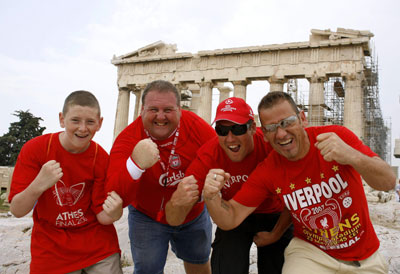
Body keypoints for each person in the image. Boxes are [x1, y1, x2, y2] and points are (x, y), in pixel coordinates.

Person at [203, 91, 396, 274]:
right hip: (311, 253)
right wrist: (211, 196)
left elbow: (388, 182)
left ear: (302, 119)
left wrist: (352, 156)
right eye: (271, 128)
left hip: (365, 257)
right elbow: (231, 217)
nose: (280, 134)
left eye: (287, 122)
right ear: (264, 134)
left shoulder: (337, 137)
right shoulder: (268, 170)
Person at [165, 97, 292, 274]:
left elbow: (298, 195)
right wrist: (177, 201)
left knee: (276, 265)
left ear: (253, 128)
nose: (230, 138)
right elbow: (174, 219)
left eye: (238, 129)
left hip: (274, 214)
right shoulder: (209, 154)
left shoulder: (271, 144)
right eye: (222, 130)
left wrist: (276, 233)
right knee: (227, 265)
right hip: (232, 216)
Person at [106, 80, 216, 274]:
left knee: (198, 261)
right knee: (147, 269)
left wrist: (200, 194)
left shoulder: (198, 128)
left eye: (168, 109)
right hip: (146, 215)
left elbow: (221, 161)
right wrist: (135, 164)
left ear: (180, 110)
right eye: (153, 109)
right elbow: (113, 194)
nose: (160, 116)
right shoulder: (128, 138)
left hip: (192, 213)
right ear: (141, 110)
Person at [8, 90, 123, 274]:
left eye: (90, 122)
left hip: (96, 243)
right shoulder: (36, 149)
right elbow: (17, 210)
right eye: (75, 120)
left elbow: (103, 216)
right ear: (62, 119)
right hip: (51, 244)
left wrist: (116, 212)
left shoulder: (100, 158)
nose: (83, 128)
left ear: (100, 124)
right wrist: (39, 183)